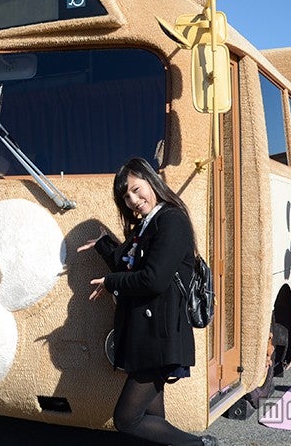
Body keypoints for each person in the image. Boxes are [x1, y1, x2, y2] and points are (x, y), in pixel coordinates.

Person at [78, 157, 218, 446]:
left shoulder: (171, 219)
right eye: (125, 196)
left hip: (160, 338)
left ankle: (199, 445)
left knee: (127, 419)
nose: (132, 199)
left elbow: (153, 278)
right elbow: (127, 263)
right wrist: (103, 245)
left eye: (135, 189)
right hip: (147, 339)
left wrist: (111, 283)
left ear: (151, 181)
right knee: (154, 421)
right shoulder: (147, 224)